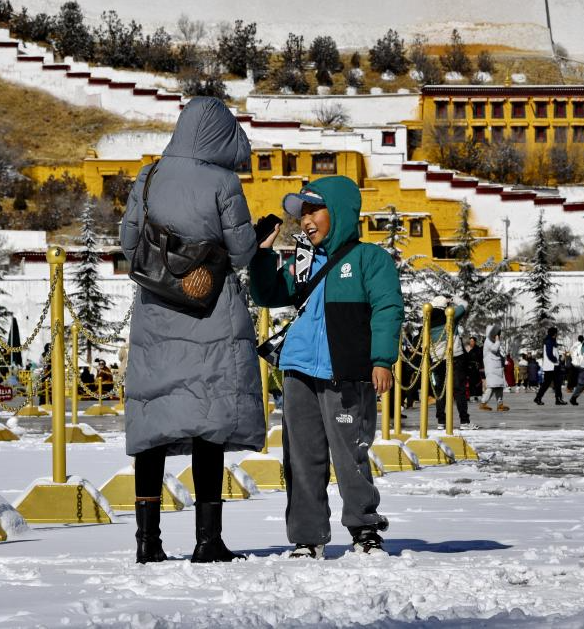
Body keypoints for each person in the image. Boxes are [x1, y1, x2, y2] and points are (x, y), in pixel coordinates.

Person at [120, 96, 265, 564]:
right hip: (209, 312)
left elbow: (128, 243)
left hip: (156, 312)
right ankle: (208, 540)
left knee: (153, 424)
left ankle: (148, 541)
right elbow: (240, 253)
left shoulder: (150, 175)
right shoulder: (223, 181)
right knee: (209, 424)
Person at [250, 175, 403, 557]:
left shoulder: (370, 260)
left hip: (345, 372)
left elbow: (387, 309)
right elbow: (268, 294)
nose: (306, 221)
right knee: (301, 458)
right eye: (302, 214)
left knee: (351, 455)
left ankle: (364, 529)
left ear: (338, 212)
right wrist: (262, 254)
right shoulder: (303, 262)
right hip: (299, 370)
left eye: (314, 211)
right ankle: (308, 537)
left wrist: (382, 360)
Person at [429, 297, 471, 428]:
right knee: (459, 390)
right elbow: (464, 304)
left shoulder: (427, 319)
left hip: (437, 359)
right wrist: (452, 299)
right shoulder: (450, 315)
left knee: (440, 391)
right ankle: (464, 421)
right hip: (454, 357)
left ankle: (441, 421)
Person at [479, 324, 509, 412]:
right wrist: (497, 341)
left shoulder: (493, 342)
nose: (497, 336)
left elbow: (498, 354)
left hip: (497, 368)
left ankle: (500, 404)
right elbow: (494, 349)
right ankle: (483, 403)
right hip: (491, 368)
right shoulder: (488, 341)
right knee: (491, 386)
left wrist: (503, 361)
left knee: (499, 386)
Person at [533, 327, 566, 405]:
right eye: (556, 333)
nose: (557, 335)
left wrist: (558, 358)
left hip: (550, 366)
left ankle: (538, 398)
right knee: (557, 383)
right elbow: (549, 354)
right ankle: (558, 399)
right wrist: (556, 360)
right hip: (552, 366)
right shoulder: (550, 341)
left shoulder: (550, 341)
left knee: (548, 383)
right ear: (554, 334)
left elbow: (552, 353)